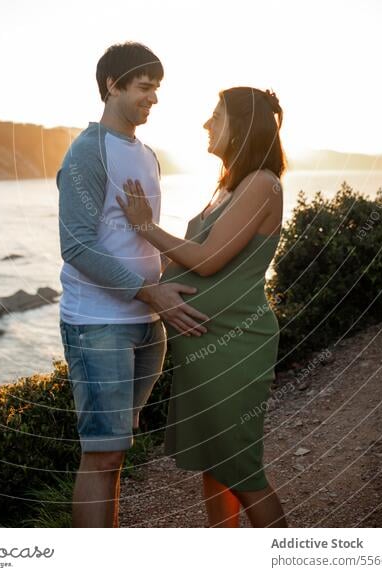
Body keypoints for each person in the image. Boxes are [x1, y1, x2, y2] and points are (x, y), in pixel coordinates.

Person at [118, 86, 288, 528]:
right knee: (216, 466)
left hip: (235, 346)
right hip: (204, 345)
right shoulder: (228, 186)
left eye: (216, 116)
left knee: (242, 469)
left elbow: (209, 258)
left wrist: (144, 227)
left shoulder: (262, 184)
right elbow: (189, 254)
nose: (206, 124)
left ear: (241, 126)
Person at [57, 42, 208, 528]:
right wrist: (151, 293)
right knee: (100, 456)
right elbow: (76, 247)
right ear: (112, 85)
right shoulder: (87, 152)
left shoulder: (147, 154)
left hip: (147, 326)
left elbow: (142, 238)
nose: (154, 99)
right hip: (99, 325)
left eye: (156, 89)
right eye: (145, 87)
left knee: (117, 453)